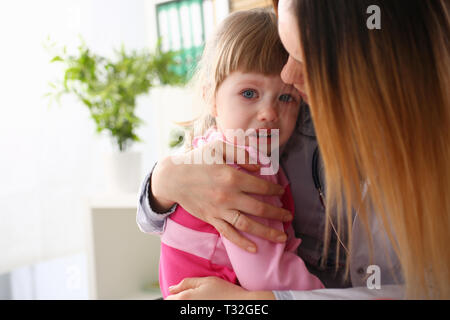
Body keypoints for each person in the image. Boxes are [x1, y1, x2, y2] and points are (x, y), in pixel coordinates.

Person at [137, 0, 449, 299]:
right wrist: (162, 181)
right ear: (210, 96)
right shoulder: (248, 154)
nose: (288, 75)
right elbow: (154, 215)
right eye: (249, 93)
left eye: (303, 57)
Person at [156, 9, 324, 299]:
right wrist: (324, 294)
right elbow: (265, 274)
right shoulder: (243, 165)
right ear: (210, 97)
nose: (269, 113)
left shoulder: (212, 146)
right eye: (249, 93)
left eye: (286, 97)